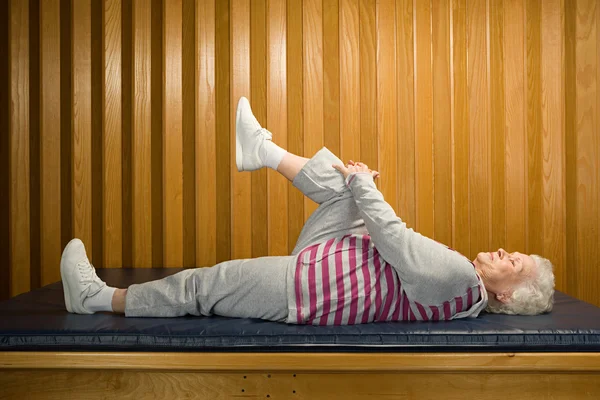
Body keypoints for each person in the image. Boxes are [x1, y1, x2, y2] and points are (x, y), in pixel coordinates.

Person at [60, 97, 555, 324]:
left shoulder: (456, 278)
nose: (503, 252)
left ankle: (98, 298)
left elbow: (395, 239)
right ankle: (261, 151)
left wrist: (365, 186)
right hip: (333, 257)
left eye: (514, 263)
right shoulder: (463, 284)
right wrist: (356, 187)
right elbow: (388, 241)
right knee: (346, 185)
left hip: (308, 289)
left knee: (203, 285)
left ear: (507, 298)